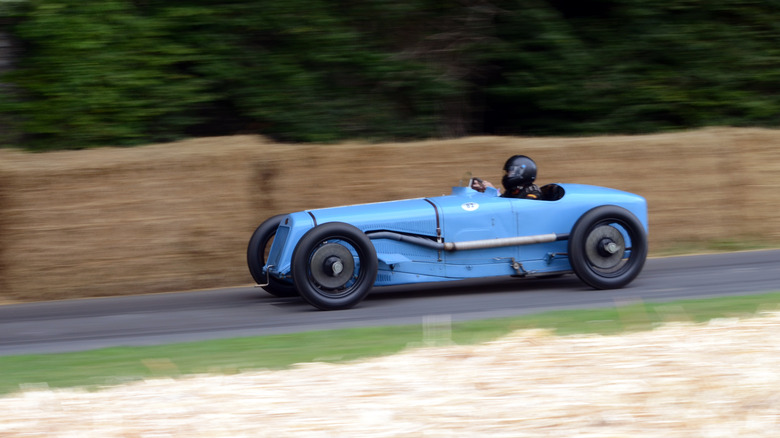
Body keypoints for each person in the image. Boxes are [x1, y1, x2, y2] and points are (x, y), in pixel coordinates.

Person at [471, 155, 542, 199]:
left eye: (511, 172)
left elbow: (519, 208)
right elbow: (504, 201)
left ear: (522, 172)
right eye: (507, 172)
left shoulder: (534, 192)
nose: (507, 175)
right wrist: (484, 191)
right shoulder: (513, 191)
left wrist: (494, 192)